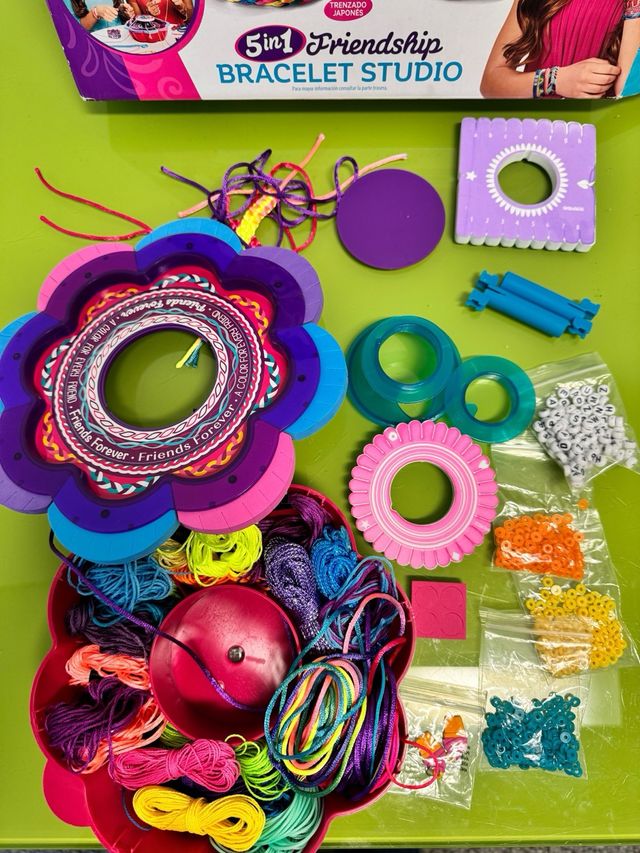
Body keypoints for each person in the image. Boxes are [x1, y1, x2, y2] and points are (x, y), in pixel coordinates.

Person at [481, 0, 640, 98]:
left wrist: (634, 10)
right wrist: (554, 80)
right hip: (539, 130)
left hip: (603, 130)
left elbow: (627, 92)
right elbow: (491, 82)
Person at [67, 1, 135, 31]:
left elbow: (117, 9)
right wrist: (96, 12)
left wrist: (124, 12)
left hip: (119, 41)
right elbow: (74, 29)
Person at [129, 0, 194, 24]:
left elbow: (192, 20)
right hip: (152, 39)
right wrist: (148, 13)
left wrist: (181, 7)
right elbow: (138, 24)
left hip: (177, 37)